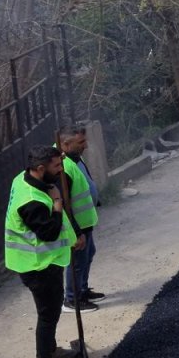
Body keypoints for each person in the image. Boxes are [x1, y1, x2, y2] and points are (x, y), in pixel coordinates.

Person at [5, 146, 86, 358]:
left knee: (50, 310)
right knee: (48, 313)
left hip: (43, 262)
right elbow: (49, 232)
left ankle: (50, 351)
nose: (61, 170)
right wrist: (58, 203)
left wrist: (75, 233)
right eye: (57, 166)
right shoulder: (31, 201)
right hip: (37, 265)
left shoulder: (23, 178)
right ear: (41, 169)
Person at [56, 126, 105, 313]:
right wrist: (75, 232)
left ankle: (82, 290)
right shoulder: (62, 167)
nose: (85, 145)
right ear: (66, 144)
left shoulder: (74, 158)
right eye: (81, 142)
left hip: (86, 221)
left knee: (88, 254)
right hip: (76, 225)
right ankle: (72, 299)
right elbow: (63, 205)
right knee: (76, 261)